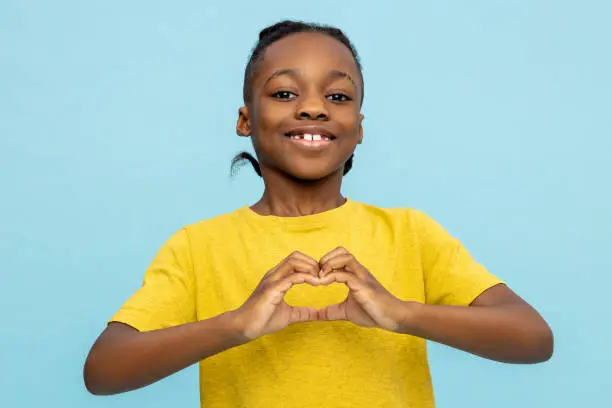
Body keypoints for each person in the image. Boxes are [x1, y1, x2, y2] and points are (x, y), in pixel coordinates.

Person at [83, 20, 554, 408]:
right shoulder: (198, 247)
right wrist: (238, 324)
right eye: (285, 94)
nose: (313, 108)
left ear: (360, 127)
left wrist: (401, 313)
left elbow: (533, 338)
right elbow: (104, 370)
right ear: (245, 119)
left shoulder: (410, 233)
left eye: (338, 97)